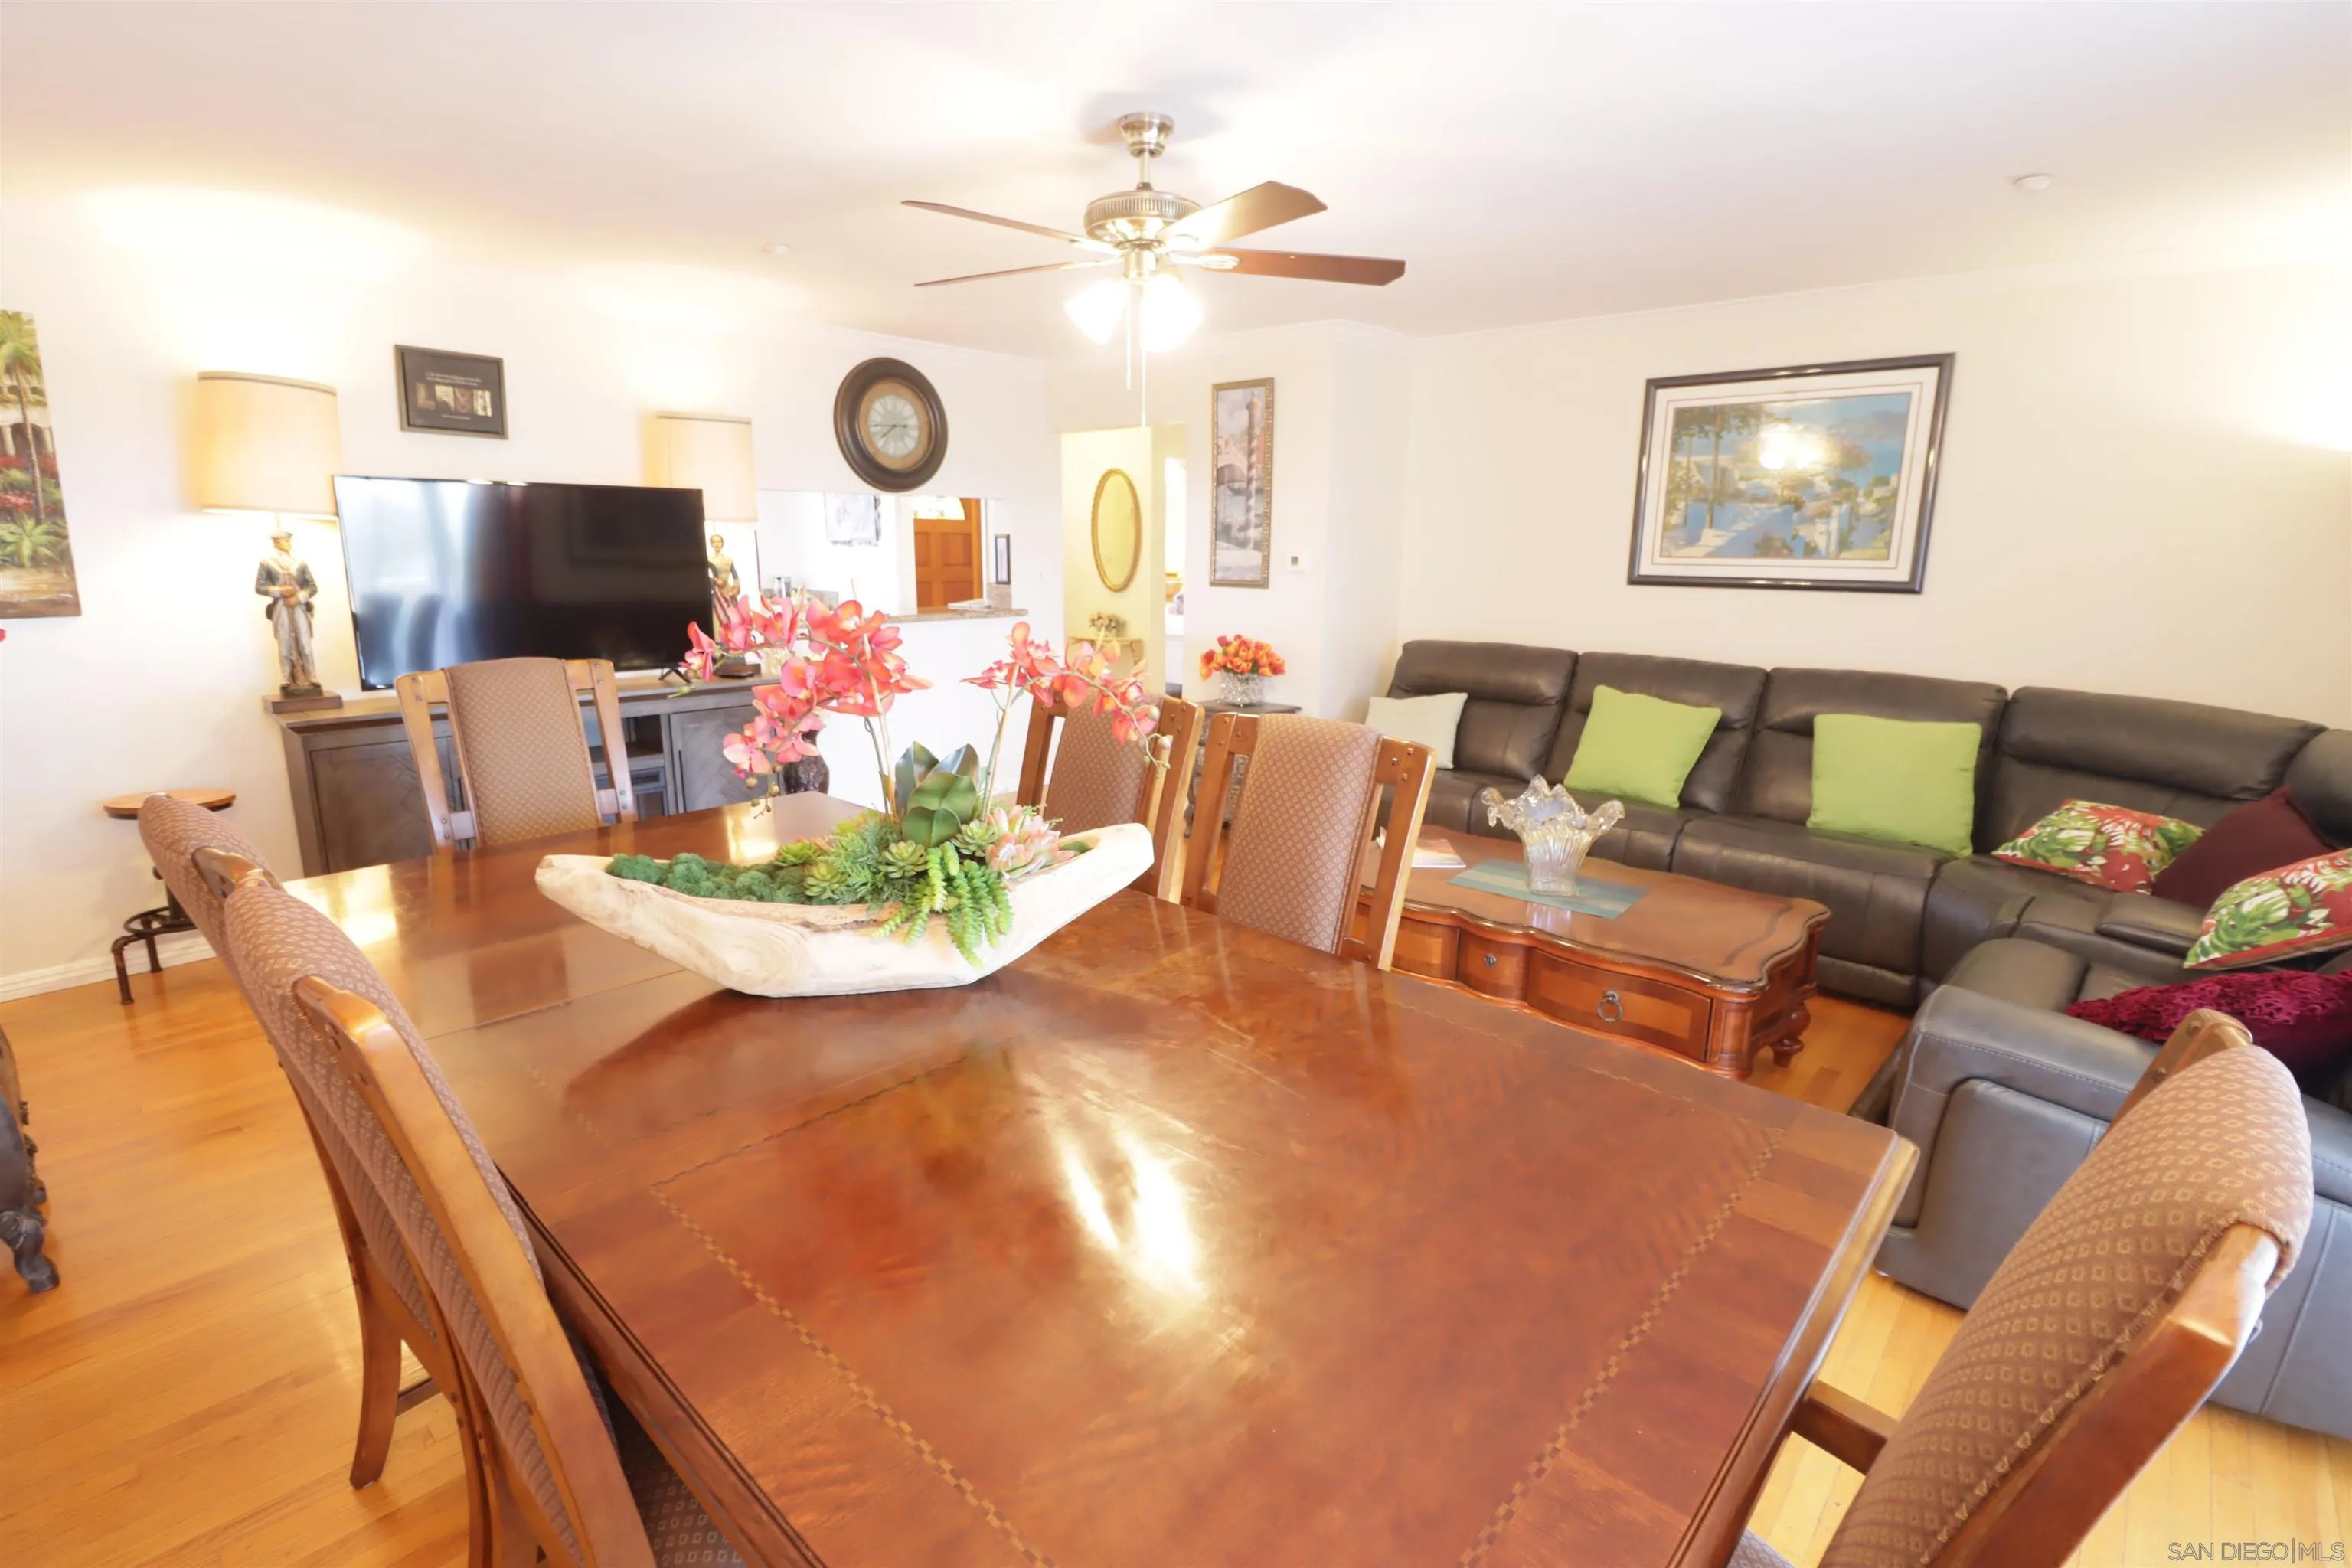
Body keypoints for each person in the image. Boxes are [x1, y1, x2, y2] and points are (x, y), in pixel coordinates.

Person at [255, 528, 320, 694]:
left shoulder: (300, 562)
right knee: (284, 642)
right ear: (277, 542)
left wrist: (299, 598)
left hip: (299, 606)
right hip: (281, 607)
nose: (289, 543)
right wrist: (279, 591)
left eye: (289, 540)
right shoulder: (267, 562)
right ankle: (286, 677)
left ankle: (311, 675)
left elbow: (312, 587)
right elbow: (260, 587)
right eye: (286, 540)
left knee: (305, 641)